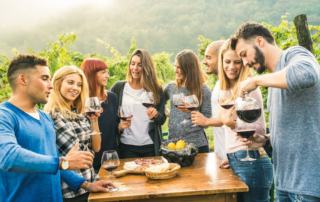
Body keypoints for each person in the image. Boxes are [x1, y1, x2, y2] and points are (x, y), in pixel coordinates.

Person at [0, 54, 115, 202]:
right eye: (44, 78)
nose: (51, 85)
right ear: (23, 79)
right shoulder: (5, 115)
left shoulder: (45, 118)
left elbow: (55, 162)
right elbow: (8, 157)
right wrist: (62, 162)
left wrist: (86, 185)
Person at [230, 22, 320, 201]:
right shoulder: (273, 82)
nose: (246, 63)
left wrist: (256, 81)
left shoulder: (293, 55)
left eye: (244, 54)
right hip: (284, 186)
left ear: (260, 41)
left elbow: (308, 73)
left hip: (307, 186)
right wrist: (263, 141)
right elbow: (290, 131)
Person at [215, 39, 274, 201]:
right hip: (238, 160)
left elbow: (260, 128)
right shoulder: (225, 88)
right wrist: (233, 154)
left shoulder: (248, 89)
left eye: (237, 62)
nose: (231, 67)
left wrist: (230, 123)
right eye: (227, 62)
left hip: (252, 161)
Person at [44, 66, 105, 202]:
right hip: (71, 191)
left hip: (90, 181)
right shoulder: (53, 116)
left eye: (79, 85)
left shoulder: (79, 114)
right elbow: (83, 155)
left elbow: (96, 147)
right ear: (58, 83)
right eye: (70, 82)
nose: (76, 88)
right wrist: (88, 149)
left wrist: (94, 120)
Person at [110, 49, 166, 159]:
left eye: (140, 65)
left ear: (147, 68)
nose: (135, 68)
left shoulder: (156, 89)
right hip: (127, 146)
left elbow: (162, 119)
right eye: (133, 64)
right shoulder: (119, 88)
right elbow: (108, 116)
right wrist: (118, 127)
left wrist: (156, 115)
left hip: (150, 146)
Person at [81, 58, 131, 173]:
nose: (107, 76)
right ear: (92, 75)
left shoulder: (112, 98)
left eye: (107, 72)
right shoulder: (82, 103)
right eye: (103, 72)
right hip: (91, 162)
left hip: (111, 158)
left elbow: (111, 125)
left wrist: (120, 126)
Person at [164, 49, 212, 153]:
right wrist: (169, 113)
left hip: (198, 146)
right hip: (174, 145)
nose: (175, 70)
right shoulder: (170, 87)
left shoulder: (204, 90)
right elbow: (160, 104)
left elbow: (206, 122)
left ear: (189, 69)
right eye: (175, 66)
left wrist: (192, 112)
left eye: (179, 67)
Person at [192, 40, 228, 162]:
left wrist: (206, 121)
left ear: (221, 58)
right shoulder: (219, 84)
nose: (204, 61)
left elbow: (233, 119)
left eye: (208, 57)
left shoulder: (228, 86)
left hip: (230, 155)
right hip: (222, 154)